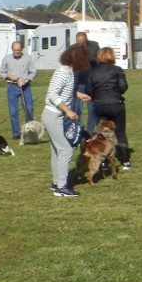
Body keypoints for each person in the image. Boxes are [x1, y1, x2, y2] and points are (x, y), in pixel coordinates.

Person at [42, 44, 90, 197]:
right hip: (53, 115)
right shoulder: (63, 72)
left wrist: (77, 94)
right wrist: (68, 111)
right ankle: (62, 187)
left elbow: (63, 91)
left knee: (57, 150)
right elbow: (52, 94)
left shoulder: (69, 72)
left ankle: (57, 182)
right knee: (66, 149)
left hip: (56, 115)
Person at [88, 47, 131, 169]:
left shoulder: (93, 71)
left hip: (100, 104)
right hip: (116, 103)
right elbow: (123, 87)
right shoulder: (117, 70)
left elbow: (89, 90)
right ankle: (125, 161)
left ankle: (103, 162)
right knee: (121, 133)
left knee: (102, 134)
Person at [0, 41, 37, 140]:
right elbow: (1, 73)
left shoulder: (27, 58)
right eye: (15, 50)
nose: (17, 52)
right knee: (13, 111)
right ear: (12, 49)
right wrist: (9, 76)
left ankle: (30, 132)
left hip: (25, 87)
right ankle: (16, 133)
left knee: (28, 109)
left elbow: (33, 72)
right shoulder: (6, 59)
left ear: (22, 49)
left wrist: (26, 80)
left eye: (19, 50)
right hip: (12, 87)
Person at [73, 32, 101, 134]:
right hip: (78, 83)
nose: (80, 45)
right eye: (78, 43)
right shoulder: (73, 49)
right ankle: (77, 130)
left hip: (91, 83)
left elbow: (97, 60)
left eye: (83, 43)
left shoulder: (94, 46)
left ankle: (89, 132)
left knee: (92, 109)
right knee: (76, 109)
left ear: (86, 40)